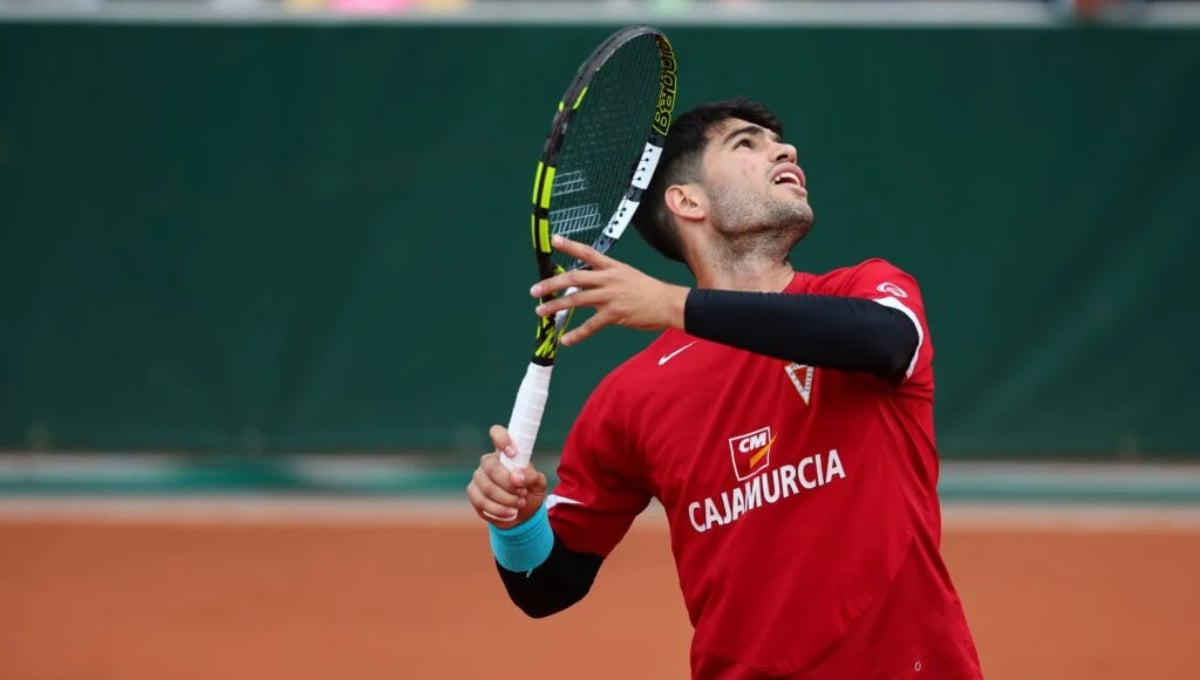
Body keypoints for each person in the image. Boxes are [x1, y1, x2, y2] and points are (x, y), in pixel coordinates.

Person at [466, 98, 983, 679]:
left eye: (779, 143)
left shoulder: (863, 292)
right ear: (687, 202)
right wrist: (516, 523)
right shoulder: (629, 399)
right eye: (746, 144)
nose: (784, 150)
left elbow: (887, 342)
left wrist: (672, 304)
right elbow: (548, 587)